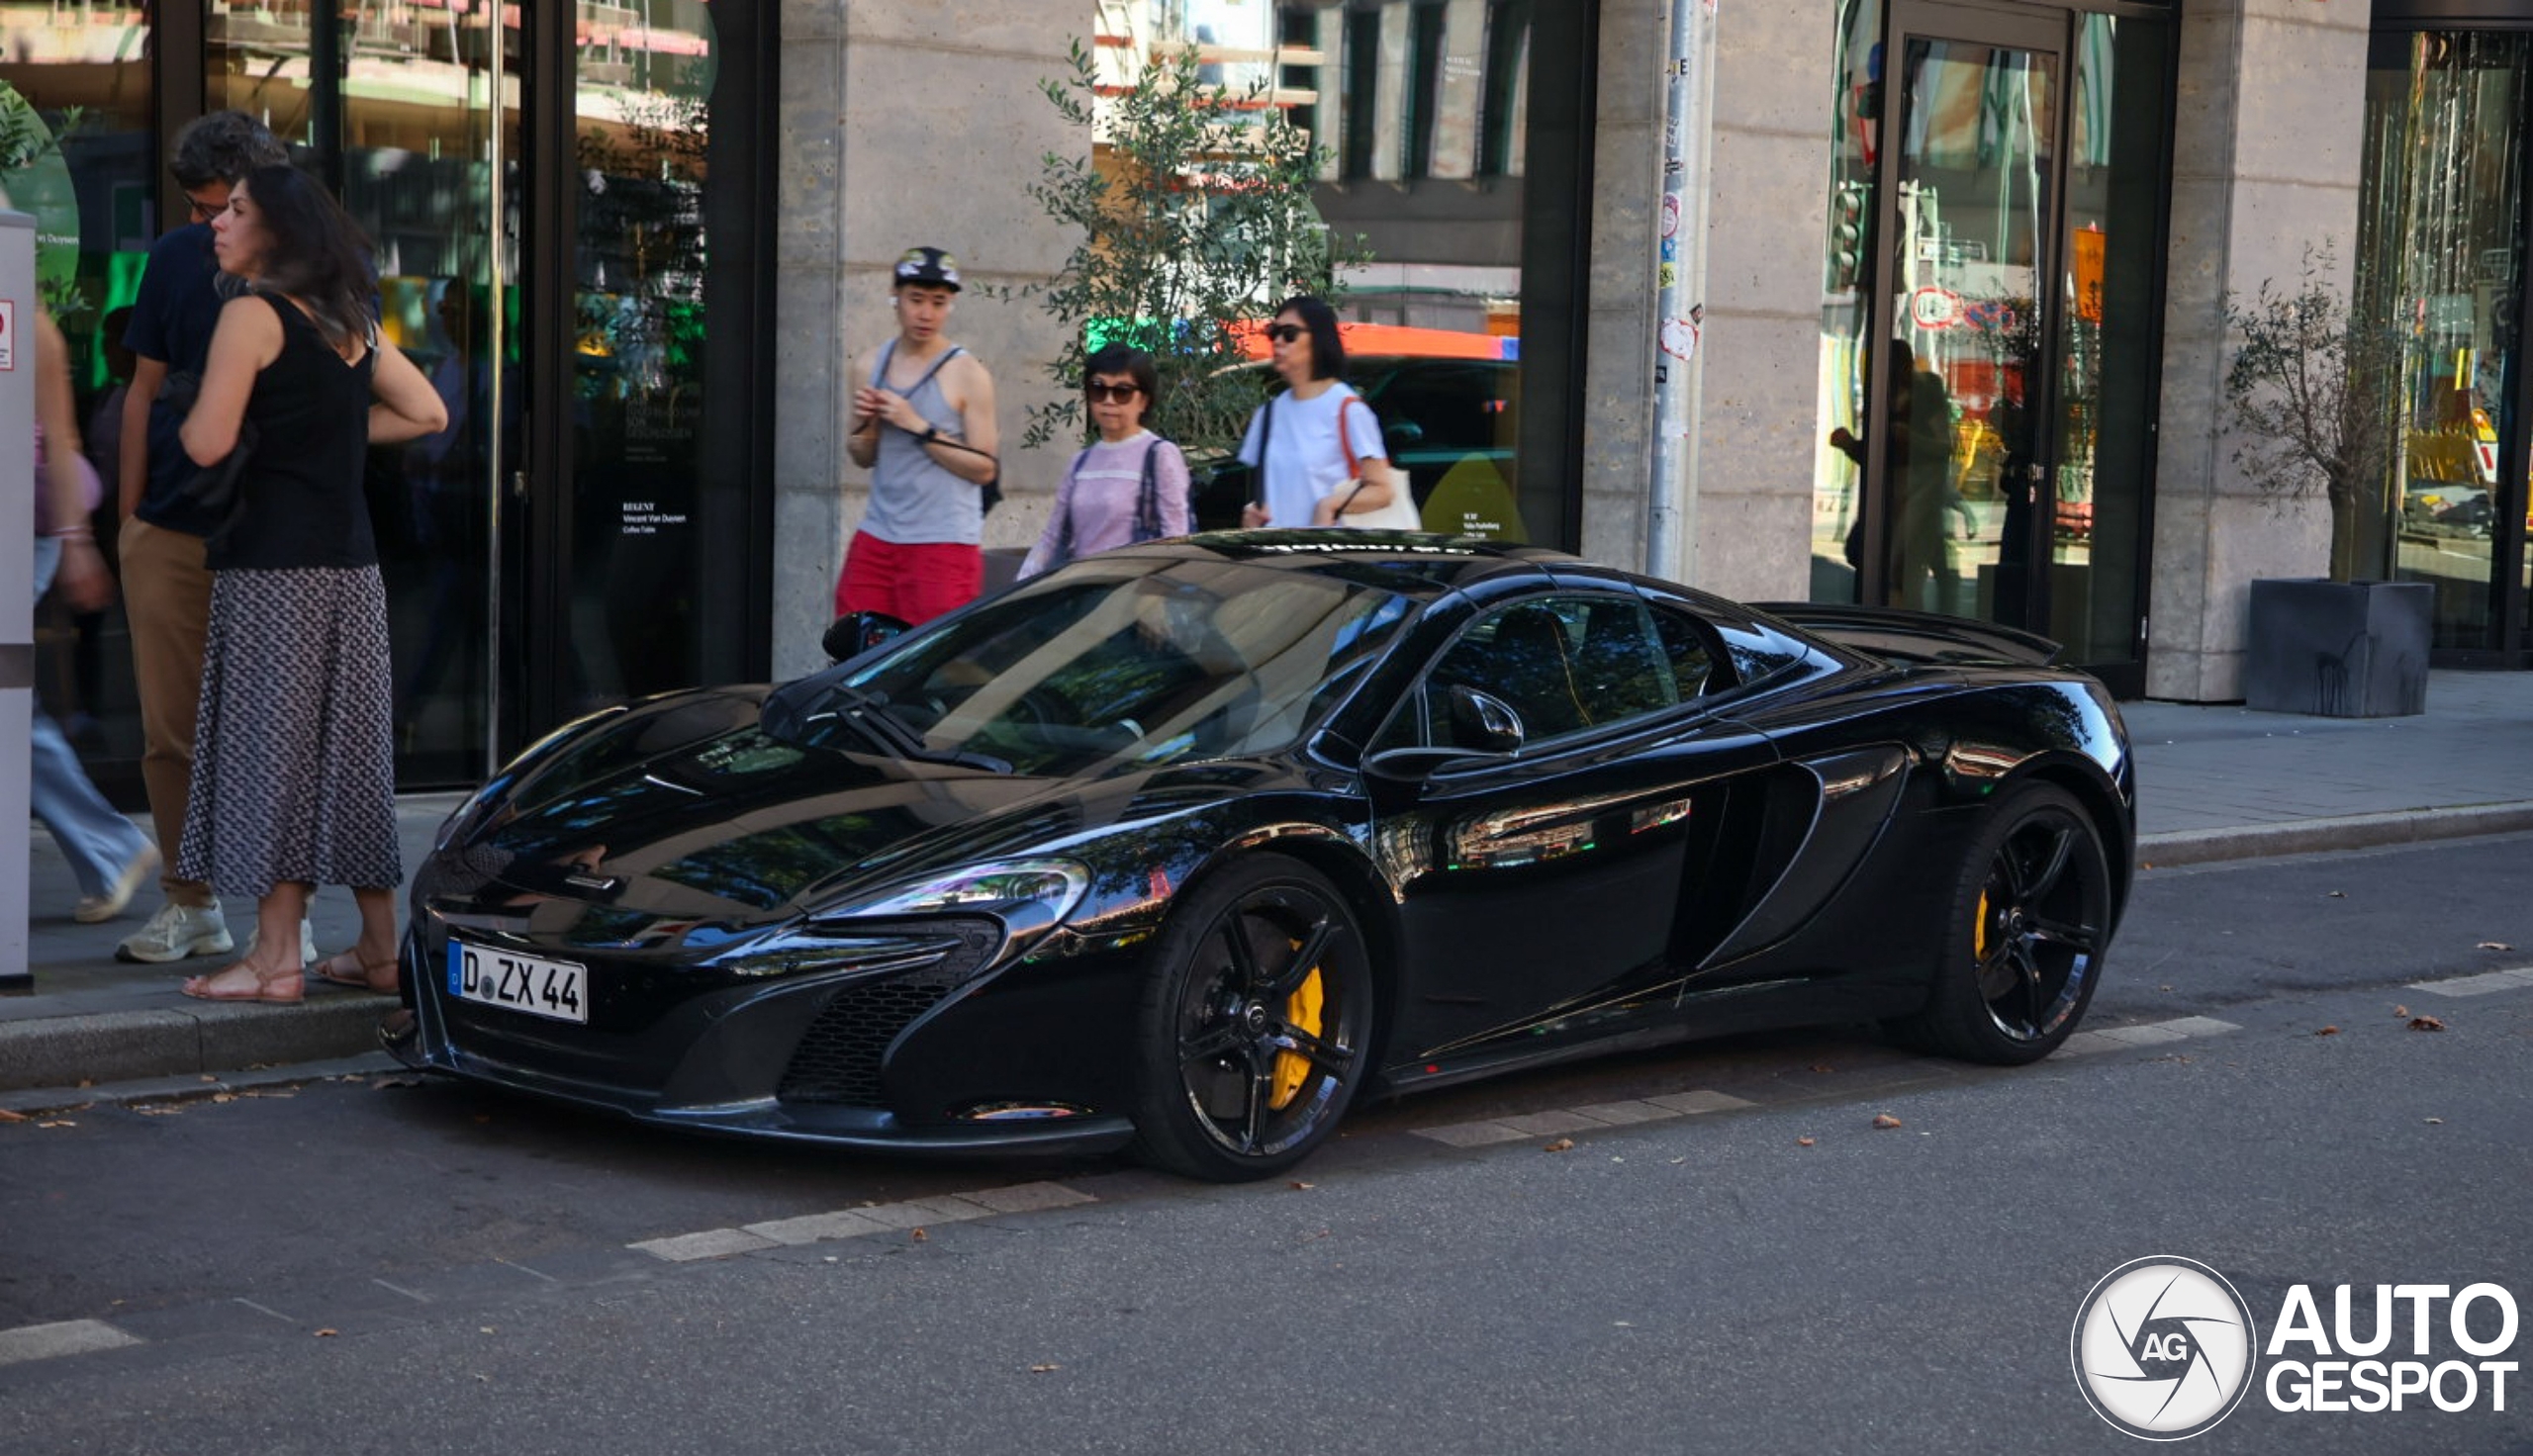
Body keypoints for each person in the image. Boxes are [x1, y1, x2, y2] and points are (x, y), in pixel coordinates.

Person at [169, 164, 447, 1003]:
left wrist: (201, 416)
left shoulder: (250, 315)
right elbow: (429, 412)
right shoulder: (350, 317)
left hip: (270, 567)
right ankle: (377, 948)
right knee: (352, 760)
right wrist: (333, 436)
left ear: (277, 232)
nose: (219, 221)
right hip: (351, 568)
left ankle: (275, 959)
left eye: (238, 212)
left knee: (270, 758)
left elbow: (208, 445)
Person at [114, 110, 292, 967]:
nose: (205, 223)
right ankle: (191, 901)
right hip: (173, 527)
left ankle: (277, 928)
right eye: (196, 207)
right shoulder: (177, 257)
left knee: (274, 735)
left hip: (276, 537)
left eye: (219, 206)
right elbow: (143, 391)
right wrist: (132, 518)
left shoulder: (321, 267)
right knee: (170, 729)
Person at [29, 304, 159, 922]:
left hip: (24, 524)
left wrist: (77, 541)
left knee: (6, 709)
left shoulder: (28, 324)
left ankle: (110, 846)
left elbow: (60, 437)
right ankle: (108, 848)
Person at [837, 245, 999, 624]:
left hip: (943, 541)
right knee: (852, 645)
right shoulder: (868, 365)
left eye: (938, 302)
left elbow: (984, 468)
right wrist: (867, 424)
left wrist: (918, 426)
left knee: (933, 664)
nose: (926, 313)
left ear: (950, 305)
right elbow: (862, 455)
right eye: (916, 300)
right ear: (895, 297)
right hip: (878, 535)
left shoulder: (968, 373)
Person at [1235, 295, 1412, 531]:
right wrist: (1252, 517)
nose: (1278, 341)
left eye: (1289, 333)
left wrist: (1330, 505)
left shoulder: (1347, 409)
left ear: (1317, 339)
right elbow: (1271, 493)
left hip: (1328, 558)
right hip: (1276, 559)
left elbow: (1382, 489)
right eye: (1273, 332)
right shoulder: (1267, 415)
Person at [1016, 344, 1190, 578]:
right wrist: (1021, 586)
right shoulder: (1080, 462)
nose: (1109, 401)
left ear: (1144, 401)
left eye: (1122, 392)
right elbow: (1052, 537)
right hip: (1083, 592)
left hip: (1136, 595)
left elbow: (1176, 540)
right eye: (1098, 389)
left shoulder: (1159, 455)